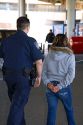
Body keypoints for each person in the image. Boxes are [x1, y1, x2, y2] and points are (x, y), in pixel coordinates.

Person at [0, 16, 43, 125]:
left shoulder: (6, 41)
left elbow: (1, 58)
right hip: (23, 78)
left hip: (8, 77)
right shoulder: (30, 41)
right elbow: (39, 61)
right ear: (27, 27)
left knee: (17, 104)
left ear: (17, 26)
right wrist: (39, 77)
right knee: (17, 106)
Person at [42, 34, 76, 125]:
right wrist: (60, 86)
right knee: (69, 110)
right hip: (63, 87)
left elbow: (43, 72)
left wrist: (48, 83)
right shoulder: (70, 55)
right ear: (66, 42)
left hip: (50, 87)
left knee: (51, 111)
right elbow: (71, 75)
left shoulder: (49, 54)